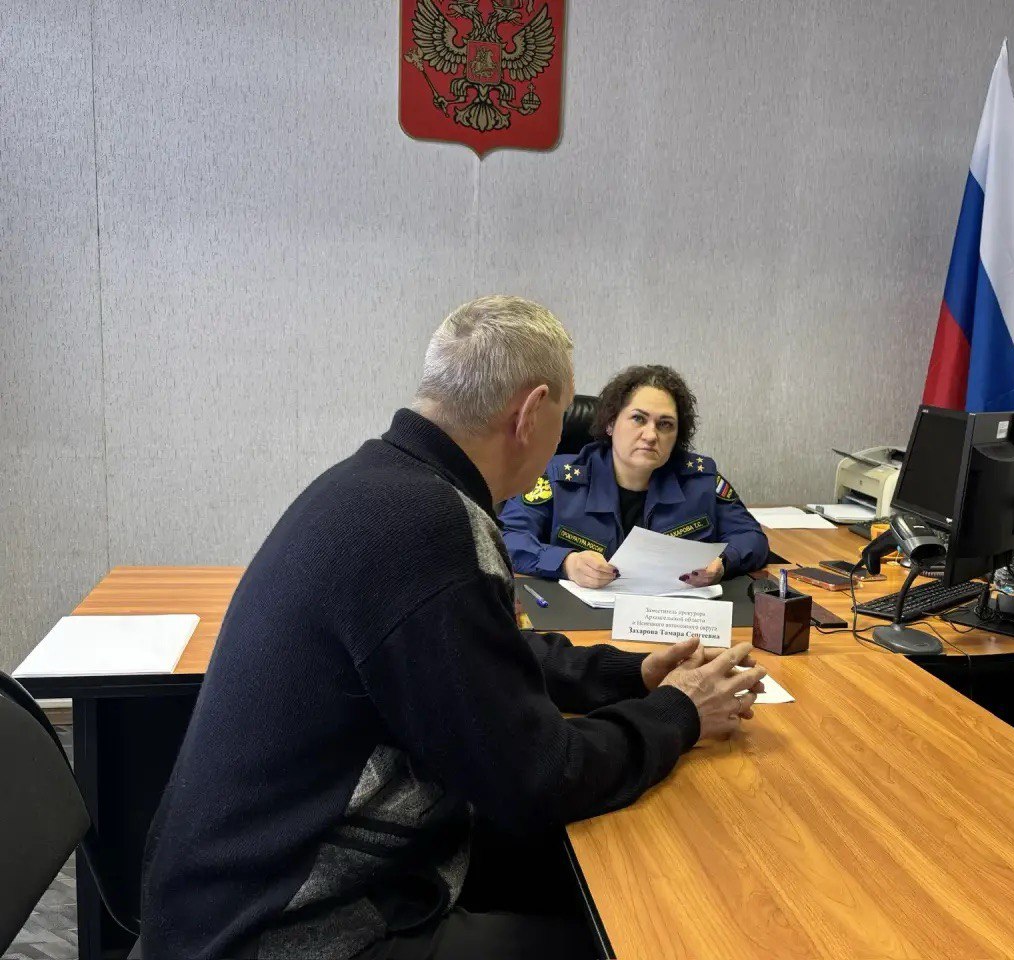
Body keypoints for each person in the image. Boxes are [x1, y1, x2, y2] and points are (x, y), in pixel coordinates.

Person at [140, 296, 766, 960]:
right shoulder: (433, 529)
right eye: (565, 419)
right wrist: (680, 711)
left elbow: (477, 650)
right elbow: (541, 777)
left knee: (594, 872)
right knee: (641, 932)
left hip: (229, 891)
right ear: (531, 413)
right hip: (282, 930)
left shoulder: (381, 483)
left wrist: (628, 674)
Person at [500, 365, 770, 588]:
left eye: (665, 424)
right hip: (582, 620)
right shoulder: (557, 479)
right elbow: (506, 539)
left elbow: (751, 537)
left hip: (673, 619)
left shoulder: (701, 480)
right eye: (639, 419)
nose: (651, 435)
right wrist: (566, 563)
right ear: (610, 423)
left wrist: (723, 563)